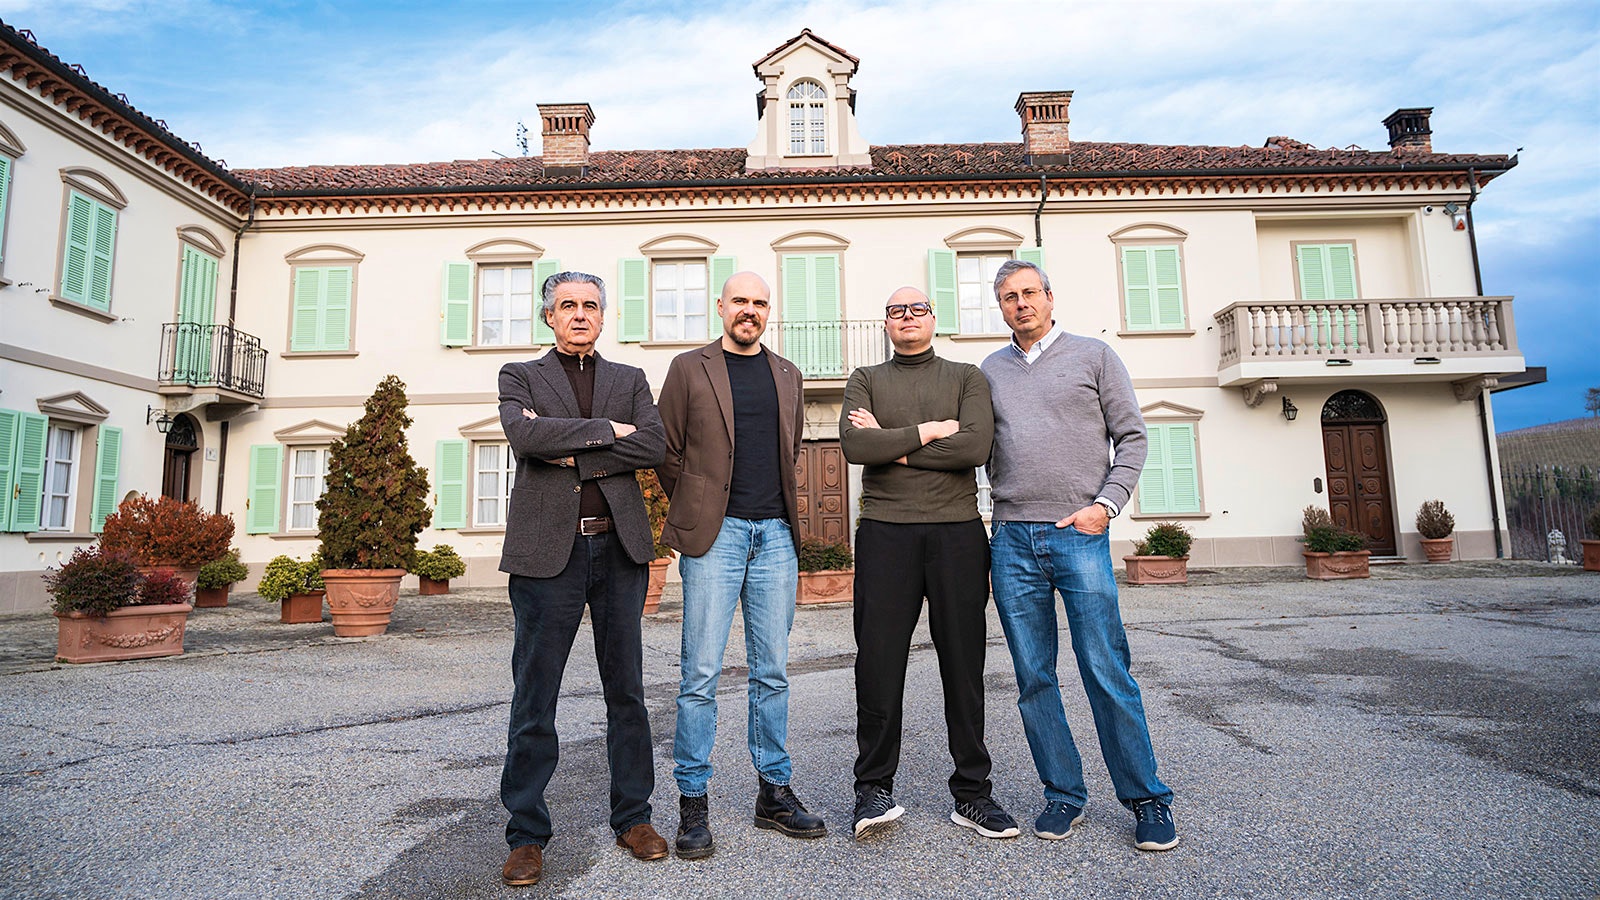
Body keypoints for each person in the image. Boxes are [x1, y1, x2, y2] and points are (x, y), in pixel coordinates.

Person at [980, 259, 1178, 852]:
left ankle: (1146, 798)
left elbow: (1133, 436)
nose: (1021, 304)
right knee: (1033, 677)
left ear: (1049, 296)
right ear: (1000, 307)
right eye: (1009, 297)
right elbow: (971, 442)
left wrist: (1106, 505)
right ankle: (1063, 794)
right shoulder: (990, 371)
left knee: (1104, 667)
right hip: (1012, 538)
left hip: (1079, 533)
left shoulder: (1094, 356)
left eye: (1029, 293)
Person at [496, 271, 669, 887]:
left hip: (619, 551)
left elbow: (653, 445)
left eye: (590, 305)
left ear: (602, 315)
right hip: (548, 555)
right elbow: (524, 436)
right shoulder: (519, 375)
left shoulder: (630, 379)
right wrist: (608, 432)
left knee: (627, 692)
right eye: (567, 305)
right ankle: (526, 835)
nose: (579, 314)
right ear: (549, 316)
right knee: (535, 695)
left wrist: (568, 449)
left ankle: (634, 818)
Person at [657, 271, 826, 859]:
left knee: (772, 672)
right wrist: (699, 507)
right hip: (716, 536)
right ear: (720, 307)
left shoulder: (788, 374)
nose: (749, 310)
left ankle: (773, 792)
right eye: (740, 301)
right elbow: (667, 451)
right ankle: (692, 800)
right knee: (700, 674)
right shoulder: (688, 368)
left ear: (767, 311)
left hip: (776, 533)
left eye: (759, 302)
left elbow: (791, 448)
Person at [840, 288, 1017, 841]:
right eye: (896, 311)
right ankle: (873, 789)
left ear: (933, 318)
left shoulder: (966, 377)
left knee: (963, 665)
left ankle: (973, 793)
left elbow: (975, 449)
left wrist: (891, 445)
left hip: (957, 534)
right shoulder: (865, 378)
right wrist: (933, 430)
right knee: (878, 664)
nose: (908, 317)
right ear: (886, 323)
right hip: (884, 534)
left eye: (918, 309)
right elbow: (855, 448)